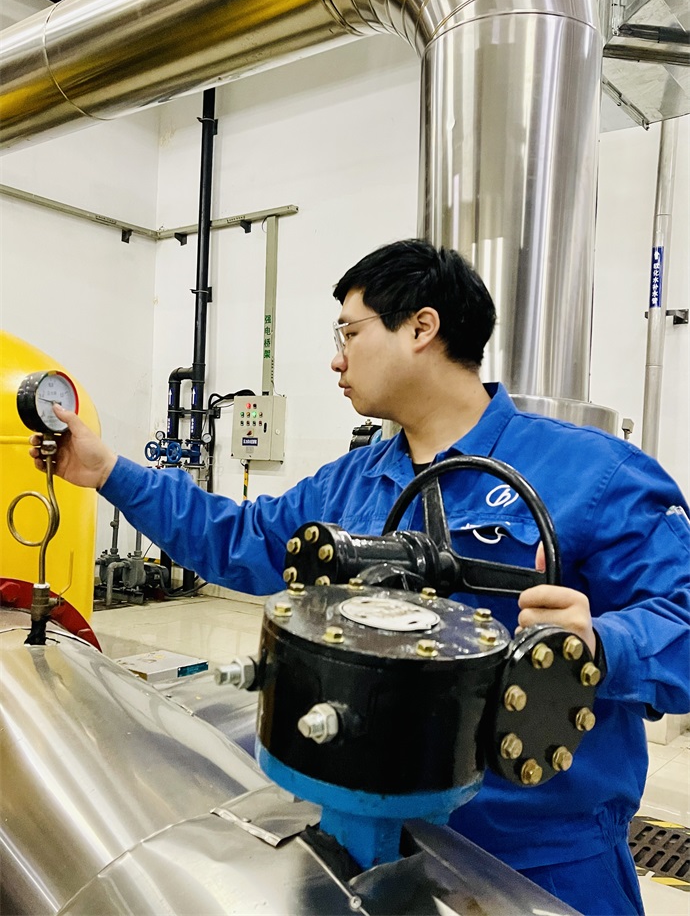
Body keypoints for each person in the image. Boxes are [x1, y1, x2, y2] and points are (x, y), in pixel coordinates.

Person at [30, 239, 690, 915]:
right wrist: (108, 472)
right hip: (364, 835)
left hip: (539, 861)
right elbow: (239, 538)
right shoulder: (353, 482)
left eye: (350, 332)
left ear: (421, 328)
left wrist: (599, 645)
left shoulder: (593, 475)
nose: (336, 358)